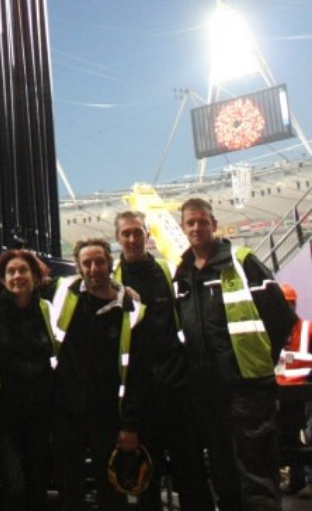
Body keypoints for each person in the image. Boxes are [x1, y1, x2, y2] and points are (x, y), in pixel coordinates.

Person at [175, 196, 296, 511]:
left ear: (214, 225)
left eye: (203, 221)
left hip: (247, 388)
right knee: (223, 471)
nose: (197, 227)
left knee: (256, 470)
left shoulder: (241, 262)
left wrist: (260, 365)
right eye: (191, 223)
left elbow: (281, 317)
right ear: (183, 228)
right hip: (206, 391)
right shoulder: (182, 273)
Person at [112, 210, 214, 510]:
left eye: (137, 232)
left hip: (178, 394)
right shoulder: (110, 283)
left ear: (148, 236)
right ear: (118, 238)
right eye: (126, 233)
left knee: (192, 475)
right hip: (140, 403)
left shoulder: (171, 274)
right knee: (147, 484)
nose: (132, 239)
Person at [50, 237, 148, 511]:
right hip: (67, 414)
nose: (94, 268)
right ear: (79, 268)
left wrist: (130, 424)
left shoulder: (130, 311)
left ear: (110, 264)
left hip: (108, 416)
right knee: (69, 489)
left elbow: (136, 374)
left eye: (99, 262)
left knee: (111, 490)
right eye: (87, 263)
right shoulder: (63, 294)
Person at [0, 248, 56, 511]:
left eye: (23, 270)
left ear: (35, 275)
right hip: (5, 415)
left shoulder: (49, 308)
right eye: (11, 272)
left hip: (40, 412)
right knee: (13, 484)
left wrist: (121, 288)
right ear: (2, 278)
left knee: (38, 482)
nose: (17, 276)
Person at [275, 282, 312, 497]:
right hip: (278, 395)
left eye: (290, 305)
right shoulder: (269, 332)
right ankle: (296, 482)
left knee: (308, 435)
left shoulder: (307, 329)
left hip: (304, 393)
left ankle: (308, 481)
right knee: (285, 440)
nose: (288, 310)